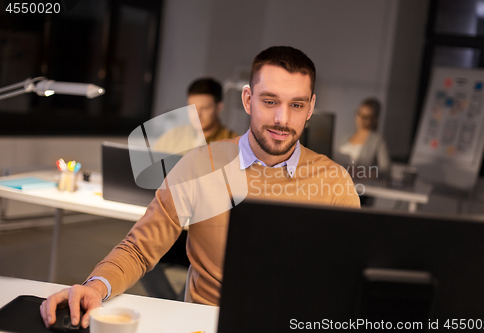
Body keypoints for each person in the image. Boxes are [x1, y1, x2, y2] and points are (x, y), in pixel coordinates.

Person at [40, 46, 360, 330]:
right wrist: (95, 287)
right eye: (270, 100)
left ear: (311, 106)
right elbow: (139, 248)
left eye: (297, 105)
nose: (282, 118)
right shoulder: (200, 165)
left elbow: (349, 276)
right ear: (248, 99)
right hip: (205, 324)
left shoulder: (333, 182)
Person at [153, 78, 237, 154]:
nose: (197, 115)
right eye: (192, 108)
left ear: (219, 108)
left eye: (204, 108)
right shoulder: (172, 137)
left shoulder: (234, 145)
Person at [339, 98, 391, 179]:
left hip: (358, 185)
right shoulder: (346, 136)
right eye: (360, 114)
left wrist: (361, 173)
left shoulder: (377, 140)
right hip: (338, 181)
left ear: (374, 119)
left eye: (367, 117)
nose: (362, 119)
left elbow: (385, 170)